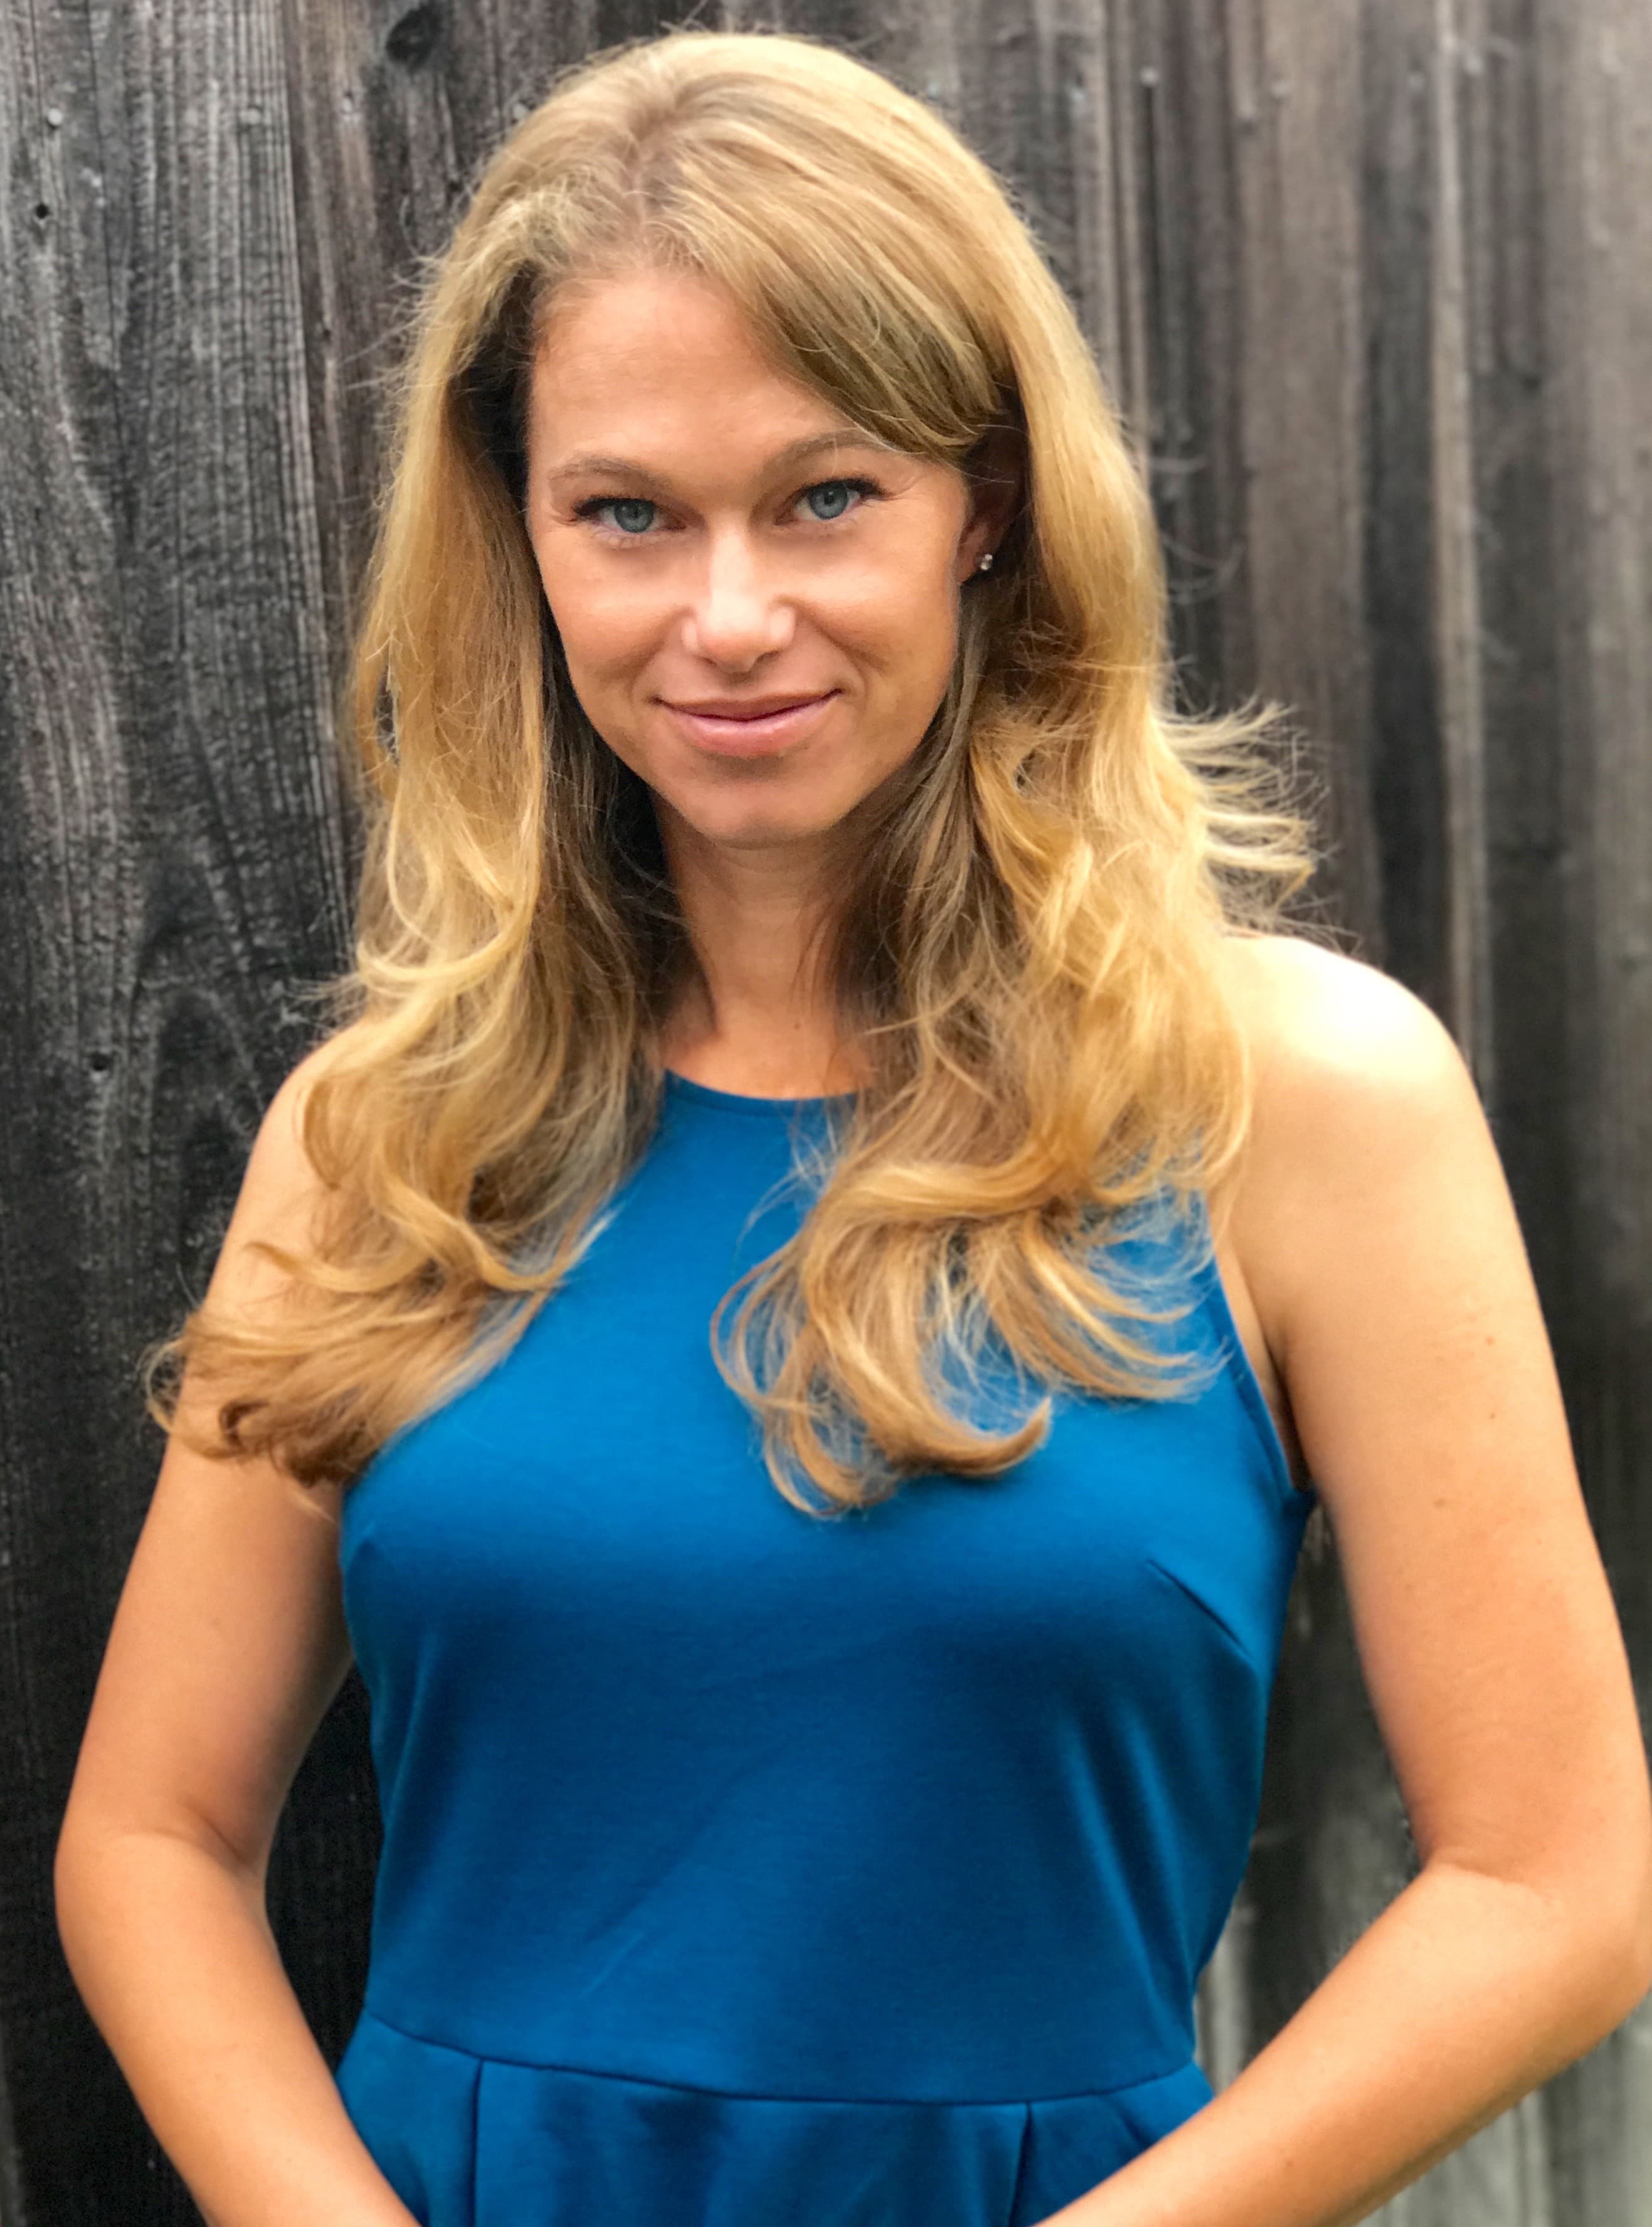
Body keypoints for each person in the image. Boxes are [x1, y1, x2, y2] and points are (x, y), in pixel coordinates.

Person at [54, 25, 1652, 2227]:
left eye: (825, 497)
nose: (727, 619)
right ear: (520, 535)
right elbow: (151, 1837)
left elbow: (1555, 1880)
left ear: (982, 504)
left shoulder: (1297, 1104)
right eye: (626, 513)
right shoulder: (383, 1137)